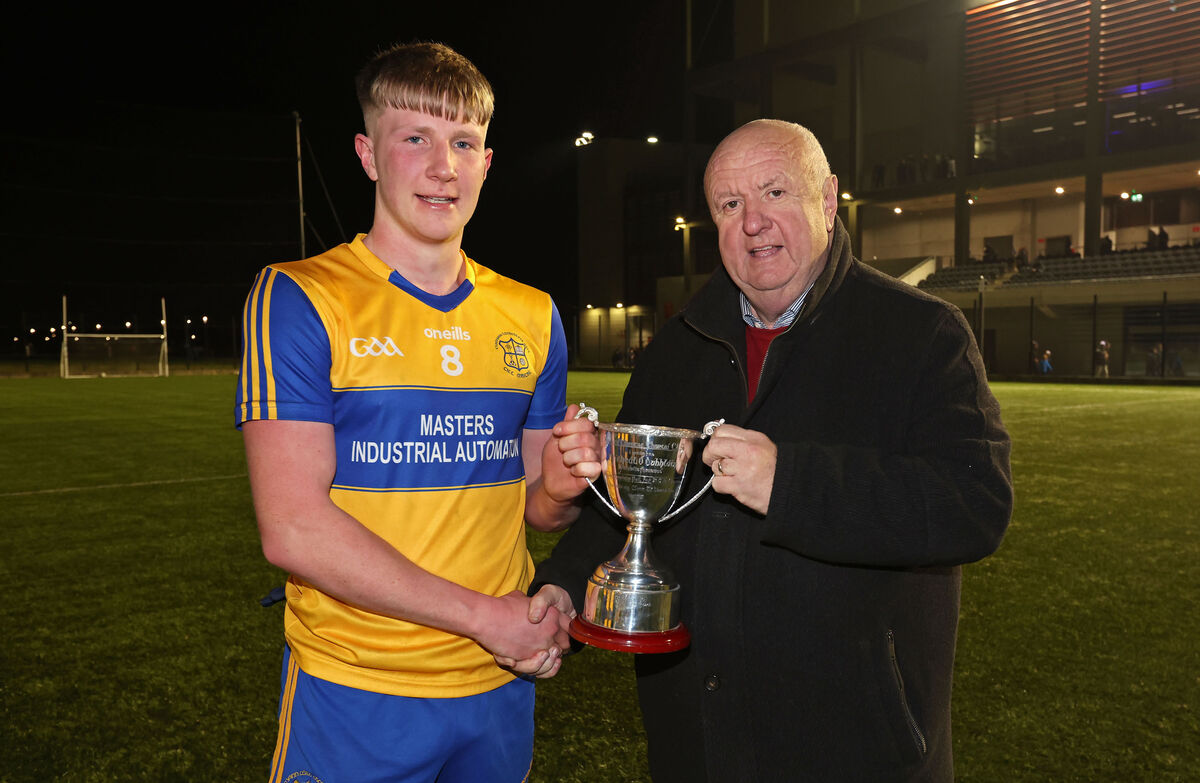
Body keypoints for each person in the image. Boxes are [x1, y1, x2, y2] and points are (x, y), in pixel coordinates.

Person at [529, 119, 1013, 782]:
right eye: (730, 205)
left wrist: (791, 483)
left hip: (857, 755)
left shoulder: (921, 333)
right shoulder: (677, 349)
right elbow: (632, 505)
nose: (752, 222)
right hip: (695, 747)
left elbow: (975, 504)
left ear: (827, 199)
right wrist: (563, 585)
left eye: (775, 192)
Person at [235, 42, 588, 783]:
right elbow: (292, 528)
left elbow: (539, 508)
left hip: (499, 685)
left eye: (462, 142)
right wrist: (486, 619)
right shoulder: (300, 296)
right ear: (368, 155)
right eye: (415, 138)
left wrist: (563, 483)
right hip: (359, 685)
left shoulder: (532, 314)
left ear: (487, 162)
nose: (442, 166)